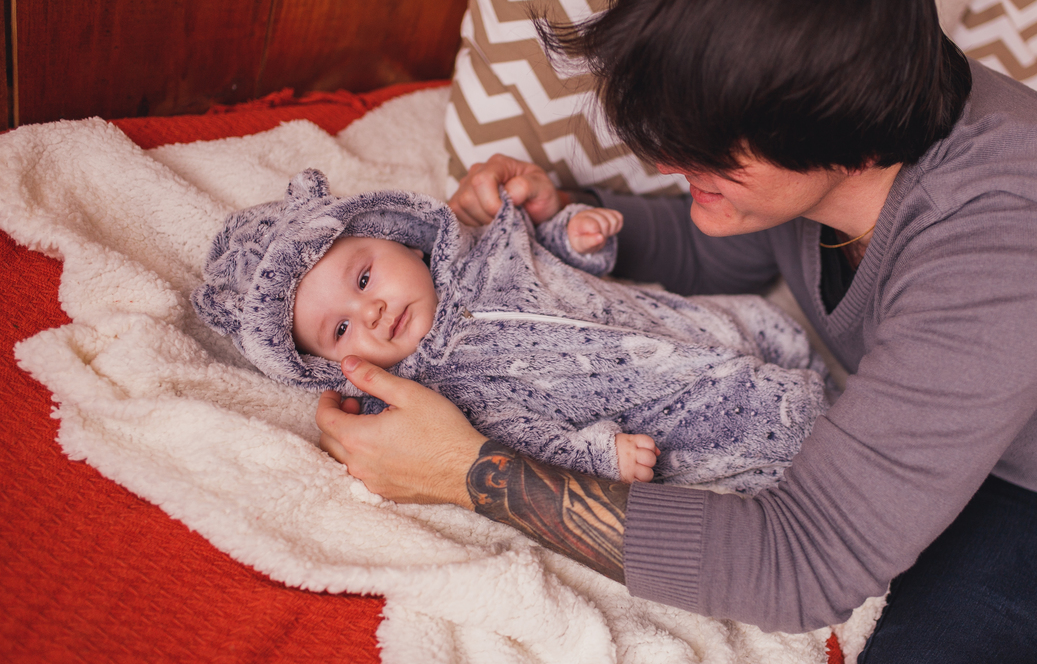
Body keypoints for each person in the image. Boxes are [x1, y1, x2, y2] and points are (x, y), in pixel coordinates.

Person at [315, 0, 1037, 664]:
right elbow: (728, 247)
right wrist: (562, 223)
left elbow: (804, 559)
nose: (661, 161)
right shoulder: (855, 118)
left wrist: (469, 471)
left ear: (842, 132)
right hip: (1033, 488)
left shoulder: (1017, 246)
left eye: (701, 156)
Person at [191, 167, 829, 490]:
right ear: (334, 364)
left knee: (753, 327)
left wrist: (577, 239)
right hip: (663, 415)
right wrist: (598, 454)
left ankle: (814, 376)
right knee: (771, 438)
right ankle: (811, 431)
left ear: (399, 240)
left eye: (363, 282)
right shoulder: (443, 391)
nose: (373, 314)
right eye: (339, 330)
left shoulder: (489, 244)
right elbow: (525, 441)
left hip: (688, 323)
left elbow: (557, 262)